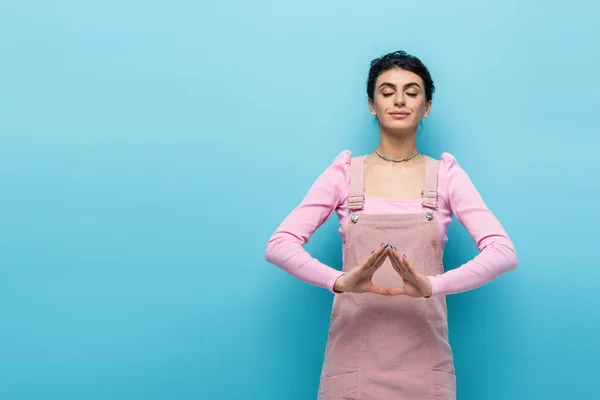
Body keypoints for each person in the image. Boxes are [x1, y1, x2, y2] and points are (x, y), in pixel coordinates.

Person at [264, 50, 518, 400]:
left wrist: (431, 285)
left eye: (412, 92)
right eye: (387, 91)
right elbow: (280, 244)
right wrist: (338, 280)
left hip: (424, 365)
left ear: (426, 106)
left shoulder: (445, 175)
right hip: (352, 361)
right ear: (372, 104)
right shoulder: (345, 173)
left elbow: (503, 253)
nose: (399, 100)